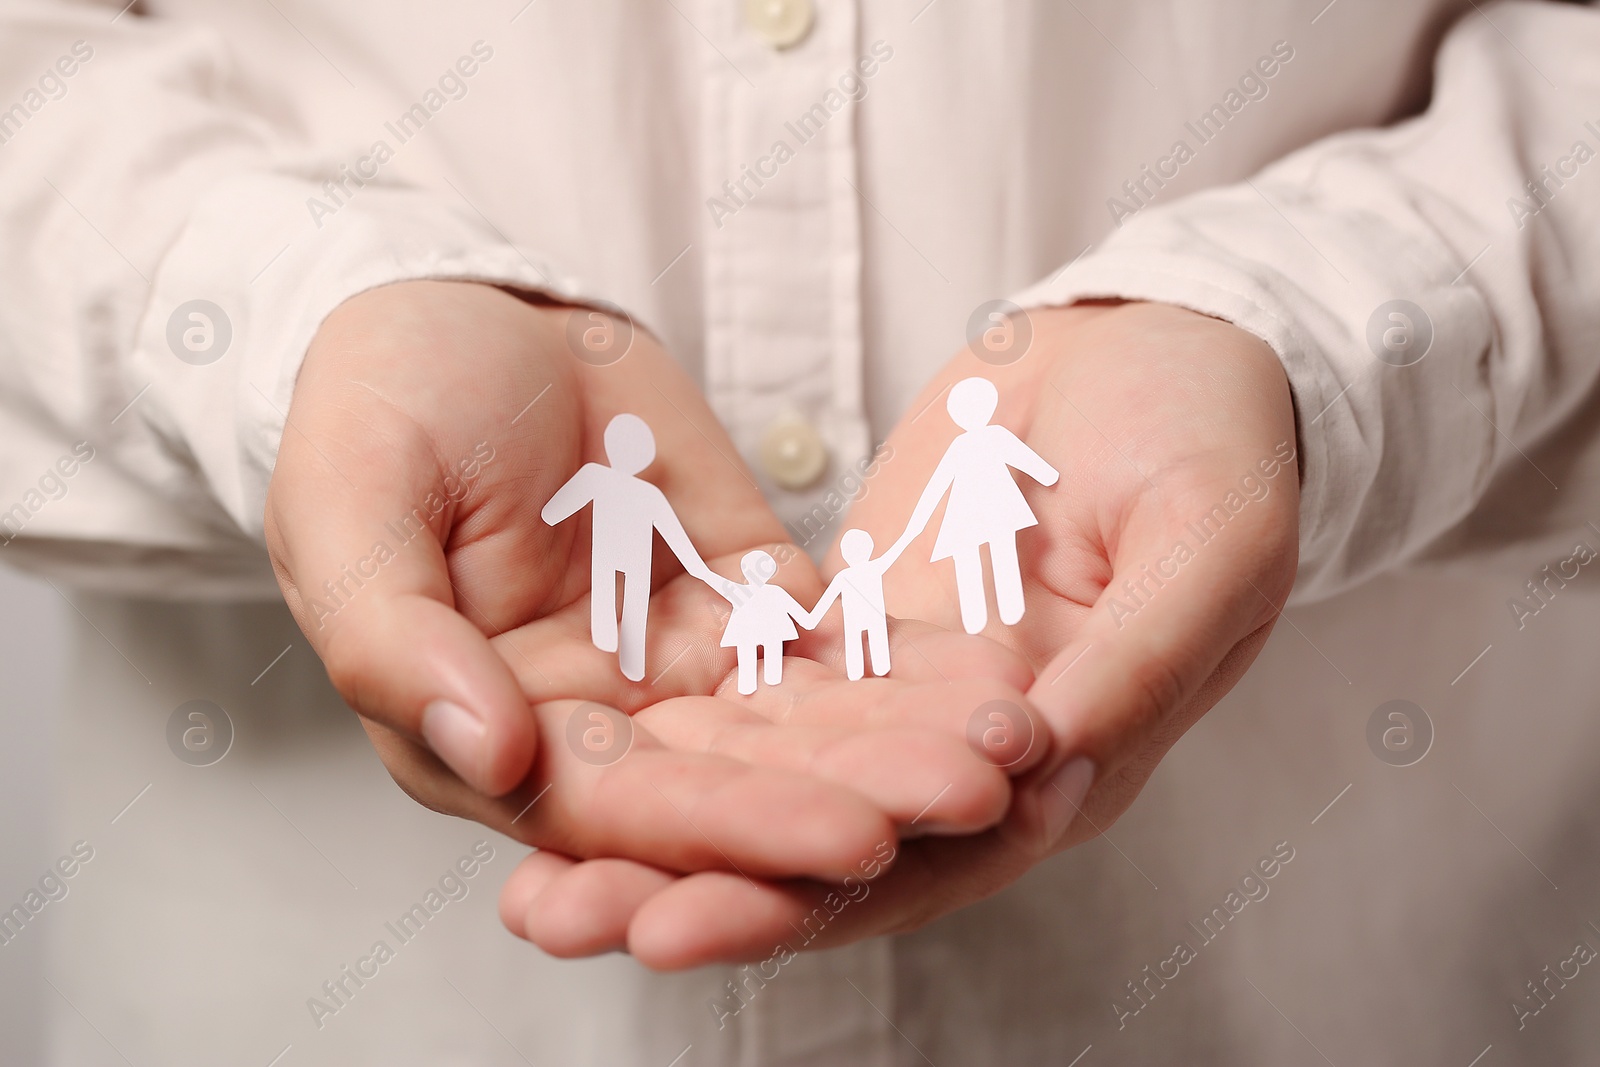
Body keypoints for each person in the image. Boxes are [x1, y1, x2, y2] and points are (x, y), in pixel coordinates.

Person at [3, 2, 1600, 1065]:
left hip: (1359, 980)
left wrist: (1312, 329)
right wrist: (278, 320)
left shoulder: (990, 479)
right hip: (296, 991)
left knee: (966, 561)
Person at [541, 412, 718, 680]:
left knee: (610, 593)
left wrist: (699, 569)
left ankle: (615, 648)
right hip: (632, 557)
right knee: (629, 603)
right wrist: (698, 568)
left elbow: (553, 512)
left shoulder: (599, 477)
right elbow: (676, 537)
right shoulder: (644, 492)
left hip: (616, 553)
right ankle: (624, 656)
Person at [890, 376, 1060, 634]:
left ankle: (997, 610)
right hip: (983, 507)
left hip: (977, 508)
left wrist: (917, 524)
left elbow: (937, 485)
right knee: (994, 552)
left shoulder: (973, 442)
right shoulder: (979, 440)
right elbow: (938, 484)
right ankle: (988, 613)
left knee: (985, 553)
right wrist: (1047, 475)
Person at [803, 527, 901, 680]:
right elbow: (827, 599)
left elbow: (826, 599)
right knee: (863, 640)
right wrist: (811, 619)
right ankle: (866, 670)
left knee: (865, 639)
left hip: (864, 617)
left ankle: (875, 668)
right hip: (860, 617)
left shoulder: (850, 574)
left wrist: (811, 619)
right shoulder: (866, 569)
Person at [713, 549, 812, 693]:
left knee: (758, 658)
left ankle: (759, 682)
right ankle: (761, 682)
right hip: (762, 632)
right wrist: (810, 620)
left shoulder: (743, 591)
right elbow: (800, 614)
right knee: (759, 658)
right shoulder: (770, 591)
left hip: (762, 632)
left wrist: (810, 620)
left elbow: (708, 577)